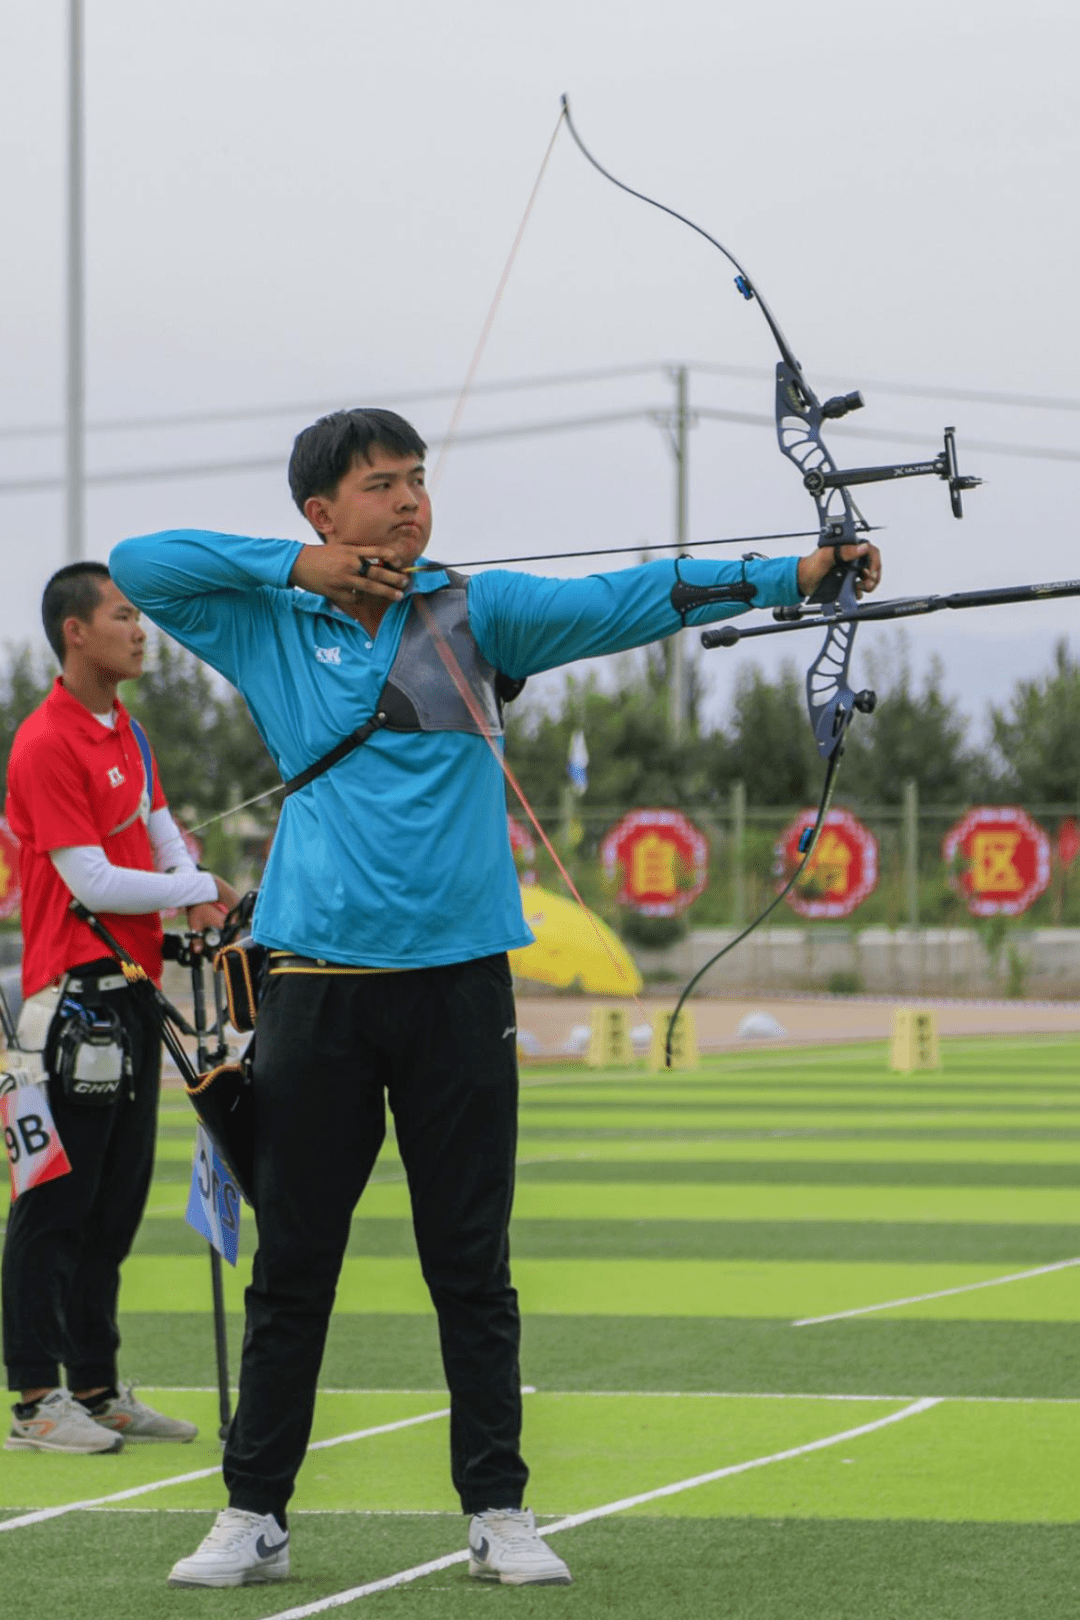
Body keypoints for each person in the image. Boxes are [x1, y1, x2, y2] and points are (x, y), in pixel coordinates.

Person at [110, 408, 882, 1588]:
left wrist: (795, 570)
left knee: (469, 1258)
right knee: (294, 1262)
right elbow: (139, 563)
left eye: (421, 480)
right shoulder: (267, 616)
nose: (413, 501)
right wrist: (300, 568)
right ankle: (254, 1512)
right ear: (324, 511)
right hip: (315, 982)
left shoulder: (475, 612)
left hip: (462, 982)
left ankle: (498, 1509)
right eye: (383, 485)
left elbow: (637, 596)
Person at [2, 562, 239, 1454]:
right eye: (123, 615)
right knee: (54, 1208)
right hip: (72, 1010)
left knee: (115, 1206)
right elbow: (91, 880)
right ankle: (34, 1399)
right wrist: (191, 884)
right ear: (75, 631)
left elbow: (161, 828)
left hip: (135, 1002)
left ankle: (95, 1387)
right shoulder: (44, 741)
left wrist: (199, 894)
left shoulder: (128, 732)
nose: (141, 631)